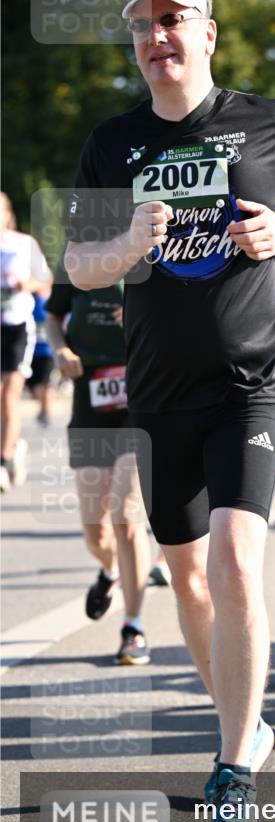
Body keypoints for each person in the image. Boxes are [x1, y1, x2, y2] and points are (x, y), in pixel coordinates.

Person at [63, 0, 275, 822]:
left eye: (172, 20)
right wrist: (129, 241)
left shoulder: (265, 122)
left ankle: (231, 768)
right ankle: (244, 719)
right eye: (142, 24)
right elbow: (76, 267)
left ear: (207, 33)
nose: (157, 37)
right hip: (158, 389)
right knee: (186, 577)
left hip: (254, 381)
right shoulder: (112, 143)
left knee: (233, 558)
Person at [45, 268, 153, 664]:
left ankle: (134, 626)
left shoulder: (152, 252)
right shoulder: (77, 258)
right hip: (90, 400)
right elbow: (53, 317)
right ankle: (110, 572)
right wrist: (60, 349)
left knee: (126, 513)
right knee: (96, 532)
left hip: (141, 400)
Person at [1, 192, 52, 492]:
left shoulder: (23, 244)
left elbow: (45, 282)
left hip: (17, 326)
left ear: (7, 214)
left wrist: (26, 284)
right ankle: (14, 446)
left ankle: (3, 461)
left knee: (10, 395)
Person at [26, 290, 55, 427]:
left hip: (47, 352)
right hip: (30, 351)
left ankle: (45, 412)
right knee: (34, 385)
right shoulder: (27, 302)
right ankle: (44, 407)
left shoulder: (50, 303)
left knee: (45, 384)